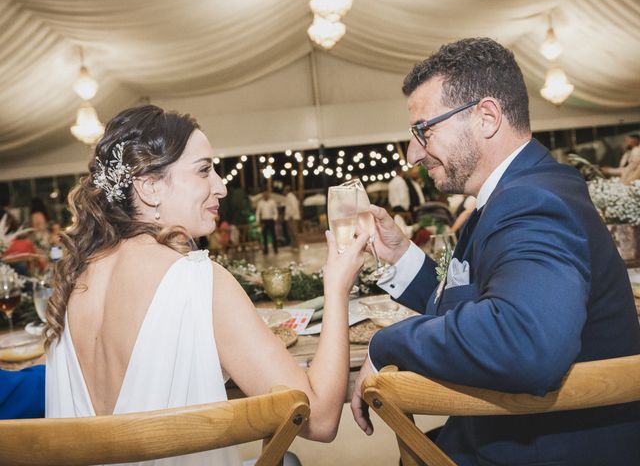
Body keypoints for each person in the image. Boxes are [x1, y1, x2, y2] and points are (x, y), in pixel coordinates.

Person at [351, 38, 640, 465]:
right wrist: (401, 256)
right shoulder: (521, 189)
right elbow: (474, 301)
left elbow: (523, 340)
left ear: (486, 117)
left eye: (423, 130)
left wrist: (387, 343)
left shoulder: (532, 202)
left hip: (546, 447)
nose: (413, 154)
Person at [45, 105, 368, 465]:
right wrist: (336, 286)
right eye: (204, 171)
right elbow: (319, 419)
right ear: (150, 186)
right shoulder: (196, 281)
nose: (222, 187)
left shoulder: (75, 282)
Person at [255, 190, 279, 254]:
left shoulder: (272, 202)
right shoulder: (260, 202)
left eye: (266, 194)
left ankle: (275, 249)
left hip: (271, 220)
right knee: (264, 236)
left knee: (273, 235)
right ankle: (266, 250)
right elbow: (257, 212)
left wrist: (275, 218)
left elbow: (275, 211)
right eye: (264, 194)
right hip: (264, 221)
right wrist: (258, 221)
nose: (265, 195)